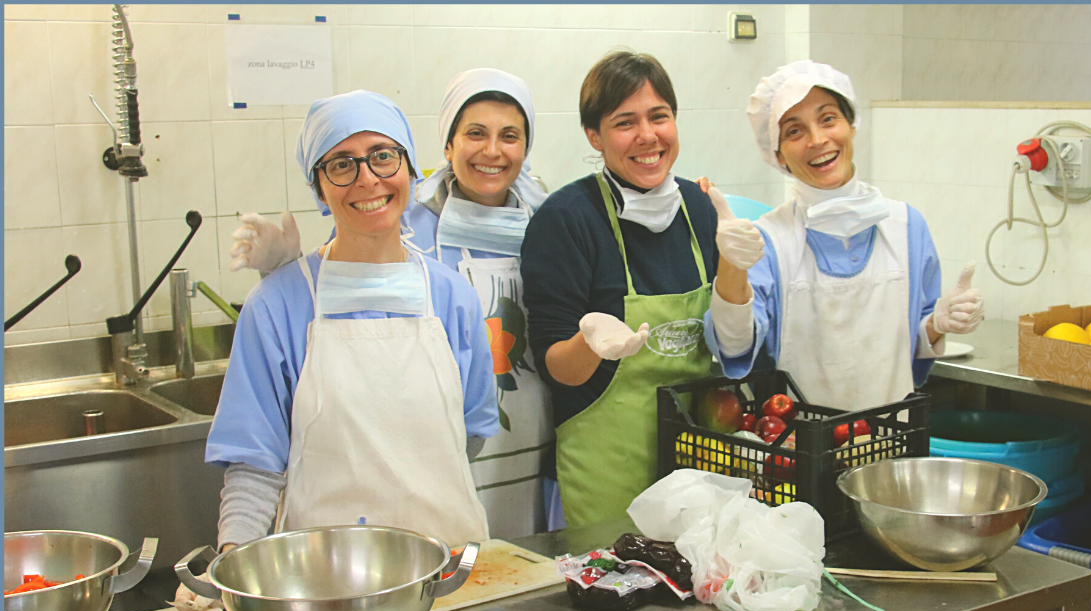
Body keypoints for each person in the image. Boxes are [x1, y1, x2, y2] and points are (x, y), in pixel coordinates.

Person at [224, 70, 555, 539]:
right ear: (318, 187)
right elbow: (253, 468)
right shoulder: (276, 307)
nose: (367, 179)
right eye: (341, 164)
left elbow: (468, 436)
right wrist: (234, 558)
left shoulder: (452, 297)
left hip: (447, 559)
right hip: (324, 566)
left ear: (410, 169)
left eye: (383, 156)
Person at [702, 60, 985, 414]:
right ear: (778, 155)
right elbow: (734, 347)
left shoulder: (906, 226)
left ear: (851, 125)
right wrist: (731, 266)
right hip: (797, 439)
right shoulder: (769, 241)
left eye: (828, 119)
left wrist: (937, 325)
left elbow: (912, 347)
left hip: (892, 437)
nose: (817, 140)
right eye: (794, 131)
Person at [520, 50, 722, 529]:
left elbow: (730, 343)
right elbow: (558, 369)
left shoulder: (700, 208)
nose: (647, 136)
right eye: (625, 122)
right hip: (606, 469)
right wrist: (589, 342)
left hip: (696, 464)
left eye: (659, 116)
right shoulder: (567, 220)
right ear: (595, 135)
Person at [404, 68, 554, 538]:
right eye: (475, 133)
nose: (492, 151)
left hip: (536, 437)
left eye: (509, 136)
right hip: (437, 445)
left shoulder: (550, 224)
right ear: (448, 145)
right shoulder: (405, 229)